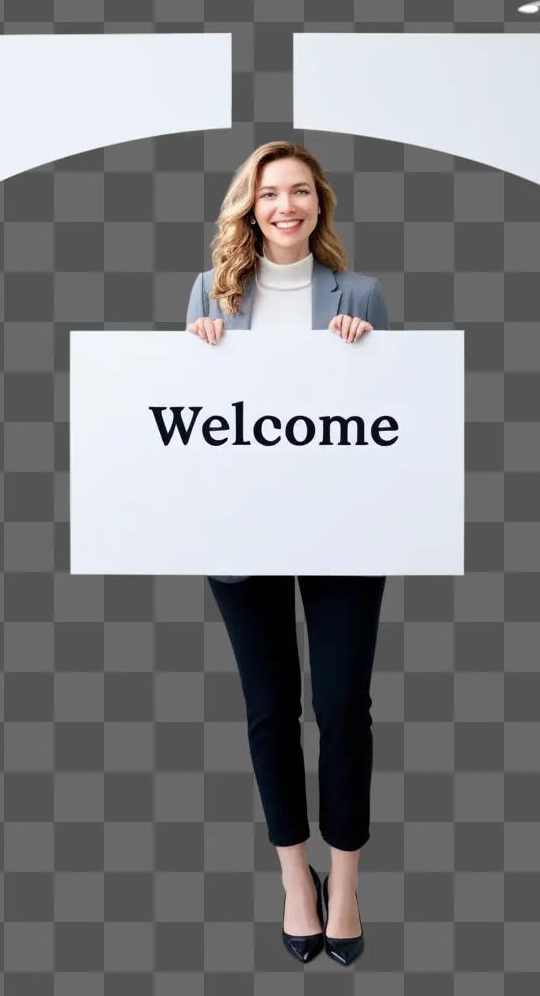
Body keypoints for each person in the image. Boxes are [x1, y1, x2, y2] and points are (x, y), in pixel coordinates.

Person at [184, 141, 389, 966]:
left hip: (343, 531)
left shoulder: (361, 293)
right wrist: (194, 349)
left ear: (319, 204)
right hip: (243, 530)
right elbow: (189, 422)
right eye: (269, 193)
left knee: (341, 708)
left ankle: (343, 881)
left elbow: (394, 422)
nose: (285, 206)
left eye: (300, 191)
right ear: (250, 205)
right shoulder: (213, 292)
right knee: (270, 709)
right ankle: (292, 882)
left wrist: (364, 351)